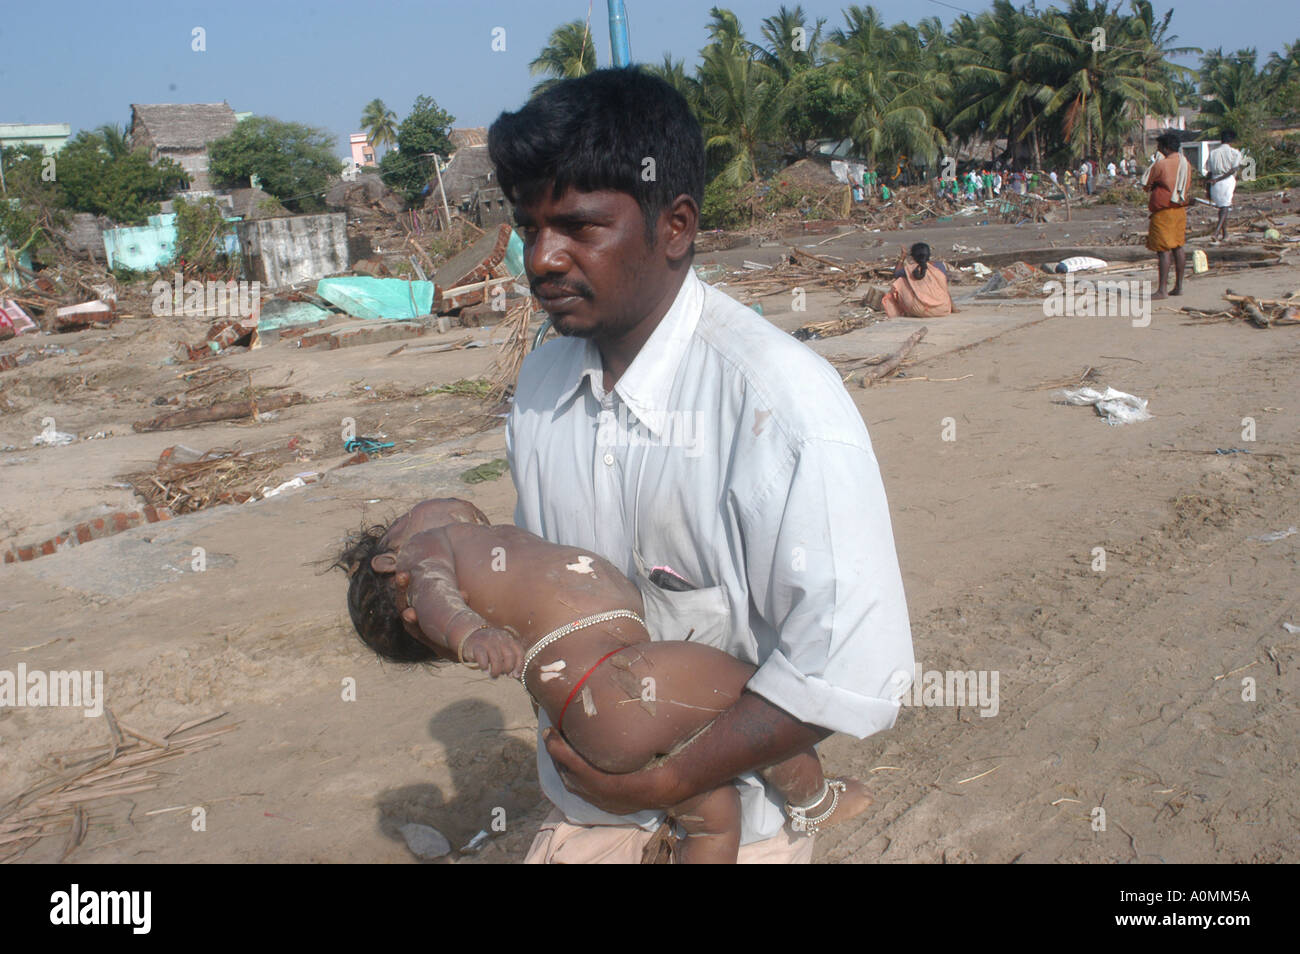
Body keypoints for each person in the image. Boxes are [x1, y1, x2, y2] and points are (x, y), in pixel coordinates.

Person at [429, 68, 915, 864]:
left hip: (741, 830)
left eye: (579, 227)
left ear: (676, 225)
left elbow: (849, 662)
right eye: (528, 228)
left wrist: (670, 781)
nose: (541, 258)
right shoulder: (544, 387)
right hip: (585, 813)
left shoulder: (777, 406)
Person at [339, 498, 874, 862]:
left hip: (601, 716)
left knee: (713, 815)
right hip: (616, 684)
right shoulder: (429, 552)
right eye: (403, 519)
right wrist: (467, 632)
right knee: (756, 700)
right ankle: (814, 801)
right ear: (391, 561)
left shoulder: (494, 549)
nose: (420, 507)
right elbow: (431, 593)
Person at [1141, 131, 1192, 299]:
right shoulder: (1186, 163)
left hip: (1164, 210)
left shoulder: (1161, 165)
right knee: (1178, 246)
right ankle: (1178, 286)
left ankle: (1162, 290)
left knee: (1163, 251)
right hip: (1179, 209)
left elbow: (1147, 184)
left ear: (1165, 147)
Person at [881, 242, 955, 318]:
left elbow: (896, 274)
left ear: (913, 257)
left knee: (900, 281)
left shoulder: (909, 269)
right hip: (943, 309)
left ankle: (904, 309)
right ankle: (951, 307)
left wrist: (903, 256)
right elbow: (944, 288)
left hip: (919, 310)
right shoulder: (940, 266)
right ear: (929, 255)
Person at [1206, 131, 1245, 244]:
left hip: (1215, 181)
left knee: (1223, 208)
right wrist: (1217, 179)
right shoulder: (1235, 153)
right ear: (1231, 140)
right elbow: (1233, 170)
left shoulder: (1213, 152)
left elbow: (1209, 171)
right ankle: (1216, 232)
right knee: (1225, 208)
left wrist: (1208, 185)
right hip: (1226, 180)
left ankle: (1225, 234)